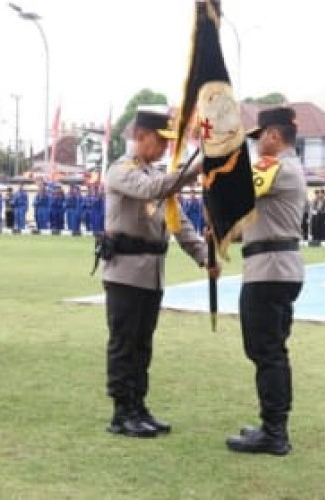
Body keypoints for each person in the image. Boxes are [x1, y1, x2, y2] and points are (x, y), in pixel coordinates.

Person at [102, 108, 219, 438]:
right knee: (124, 344)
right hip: (125, 273)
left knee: (143, 345)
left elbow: (178, 223)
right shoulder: (121, 171)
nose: (167, 148)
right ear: (140, 137)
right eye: (160, 140)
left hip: (151, 273)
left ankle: (139, 406)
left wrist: (203, 257)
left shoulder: (155, 174)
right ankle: (121, 412)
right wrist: (193, 171)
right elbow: (153, 190)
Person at [226, 107, 307, 456]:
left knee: (266, 351)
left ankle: (274, 432)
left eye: (259, 138)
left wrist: (217, 161)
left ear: (274, 136)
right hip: (274, 266)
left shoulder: (275, 166)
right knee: (270, 350)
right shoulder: (286, 169)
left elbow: (236, 189)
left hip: (270, 270)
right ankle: (273, 425)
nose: (257, 146)